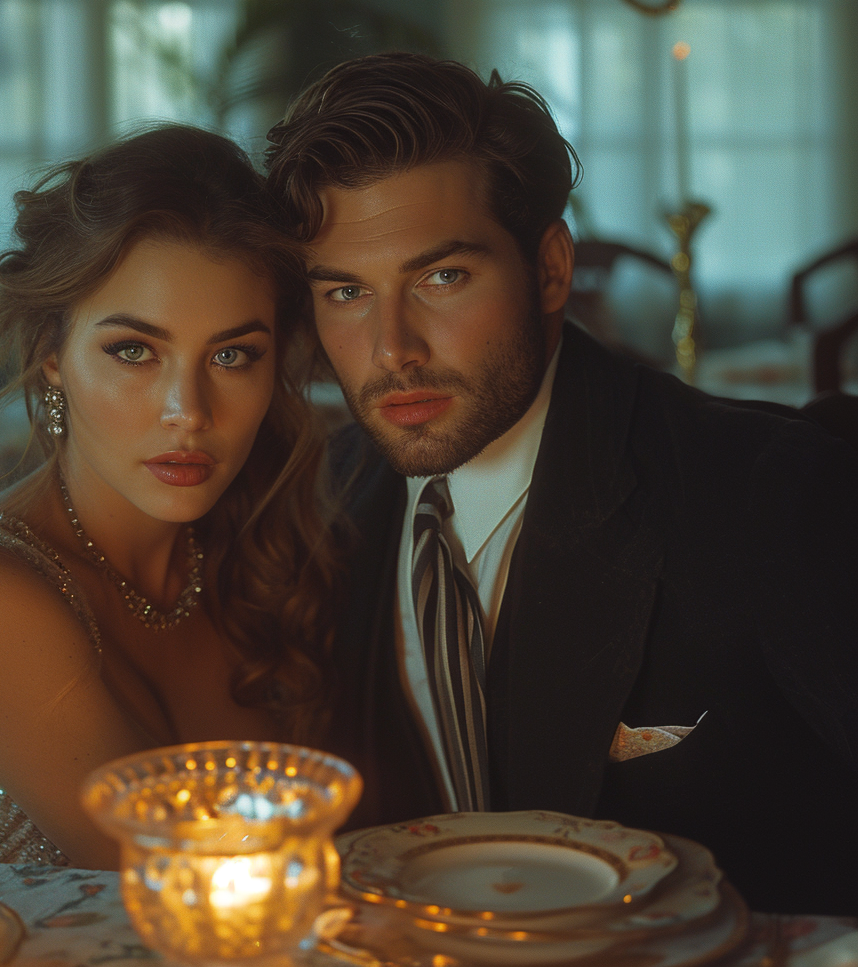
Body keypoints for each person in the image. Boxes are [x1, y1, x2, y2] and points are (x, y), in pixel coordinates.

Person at [264, 52, 858, 914]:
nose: (393, 347)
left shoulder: (770, 492)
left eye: (442, 277)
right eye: (348, 291)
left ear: (549, 269)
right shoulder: (325, 506)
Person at [0, 124, 338, 868]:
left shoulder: (249, 558)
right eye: (133, 350)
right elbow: (192, 894)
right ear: (52, 358)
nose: (188, 410)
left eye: (233, 355)